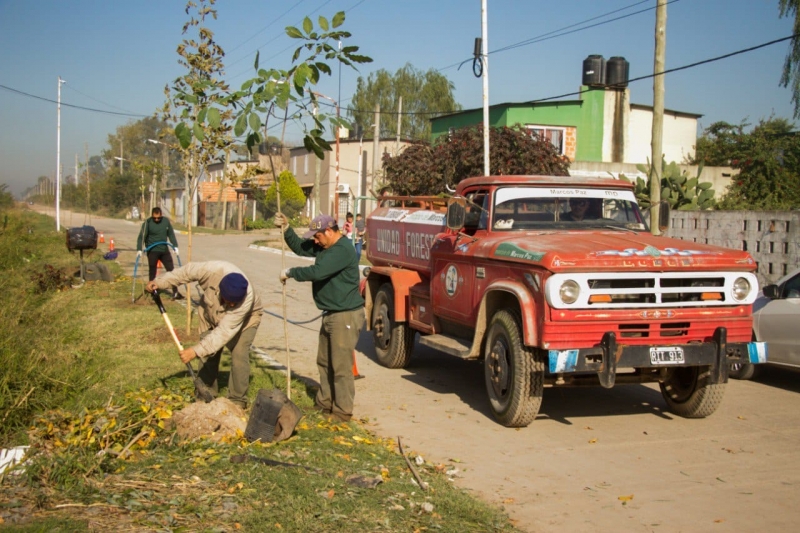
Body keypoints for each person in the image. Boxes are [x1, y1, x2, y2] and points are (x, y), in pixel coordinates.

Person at [273, 212, 365, 422]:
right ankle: (325, 403)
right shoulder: (327, 246)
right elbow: (300, 247)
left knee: (340, 366)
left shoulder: (342, 250)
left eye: (317, 236)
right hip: (331, 313)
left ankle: (342, 412)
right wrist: (287, 229)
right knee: (324, 361)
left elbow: (317, 272)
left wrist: (291, 272)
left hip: (345, 316)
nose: (314, 240)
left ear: (329, 231)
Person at [146, 261, 262, 409]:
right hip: (210, 311)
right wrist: (160, 282)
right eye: (229, 301)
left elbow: (223, 332)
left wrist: (194, 351)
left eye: (235, 303)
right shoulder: (211, 271)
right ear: (221, 291)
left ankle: (237, 401)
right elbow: (185, 272)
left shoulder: (245, 301)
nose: (231, 305)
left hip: (247, 319)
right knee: (208, 354)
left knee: (239, 354)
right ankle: (205, 393)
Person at [137, 207, 183, 299]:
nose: (157, 220)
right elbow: (141, 237)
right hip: (152, 251)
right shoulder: (148, 223)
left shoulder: (165, 221)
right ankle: (153, 291)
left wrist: (175, 246)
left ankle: (175, 292)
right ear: (152, 216)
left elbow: (170, 234)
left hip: (164, 250)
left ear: (161, 215)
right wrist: (139, 249)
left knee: (171, 271)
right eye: (155, 218)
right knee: (152, 271)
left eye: (158, 218)